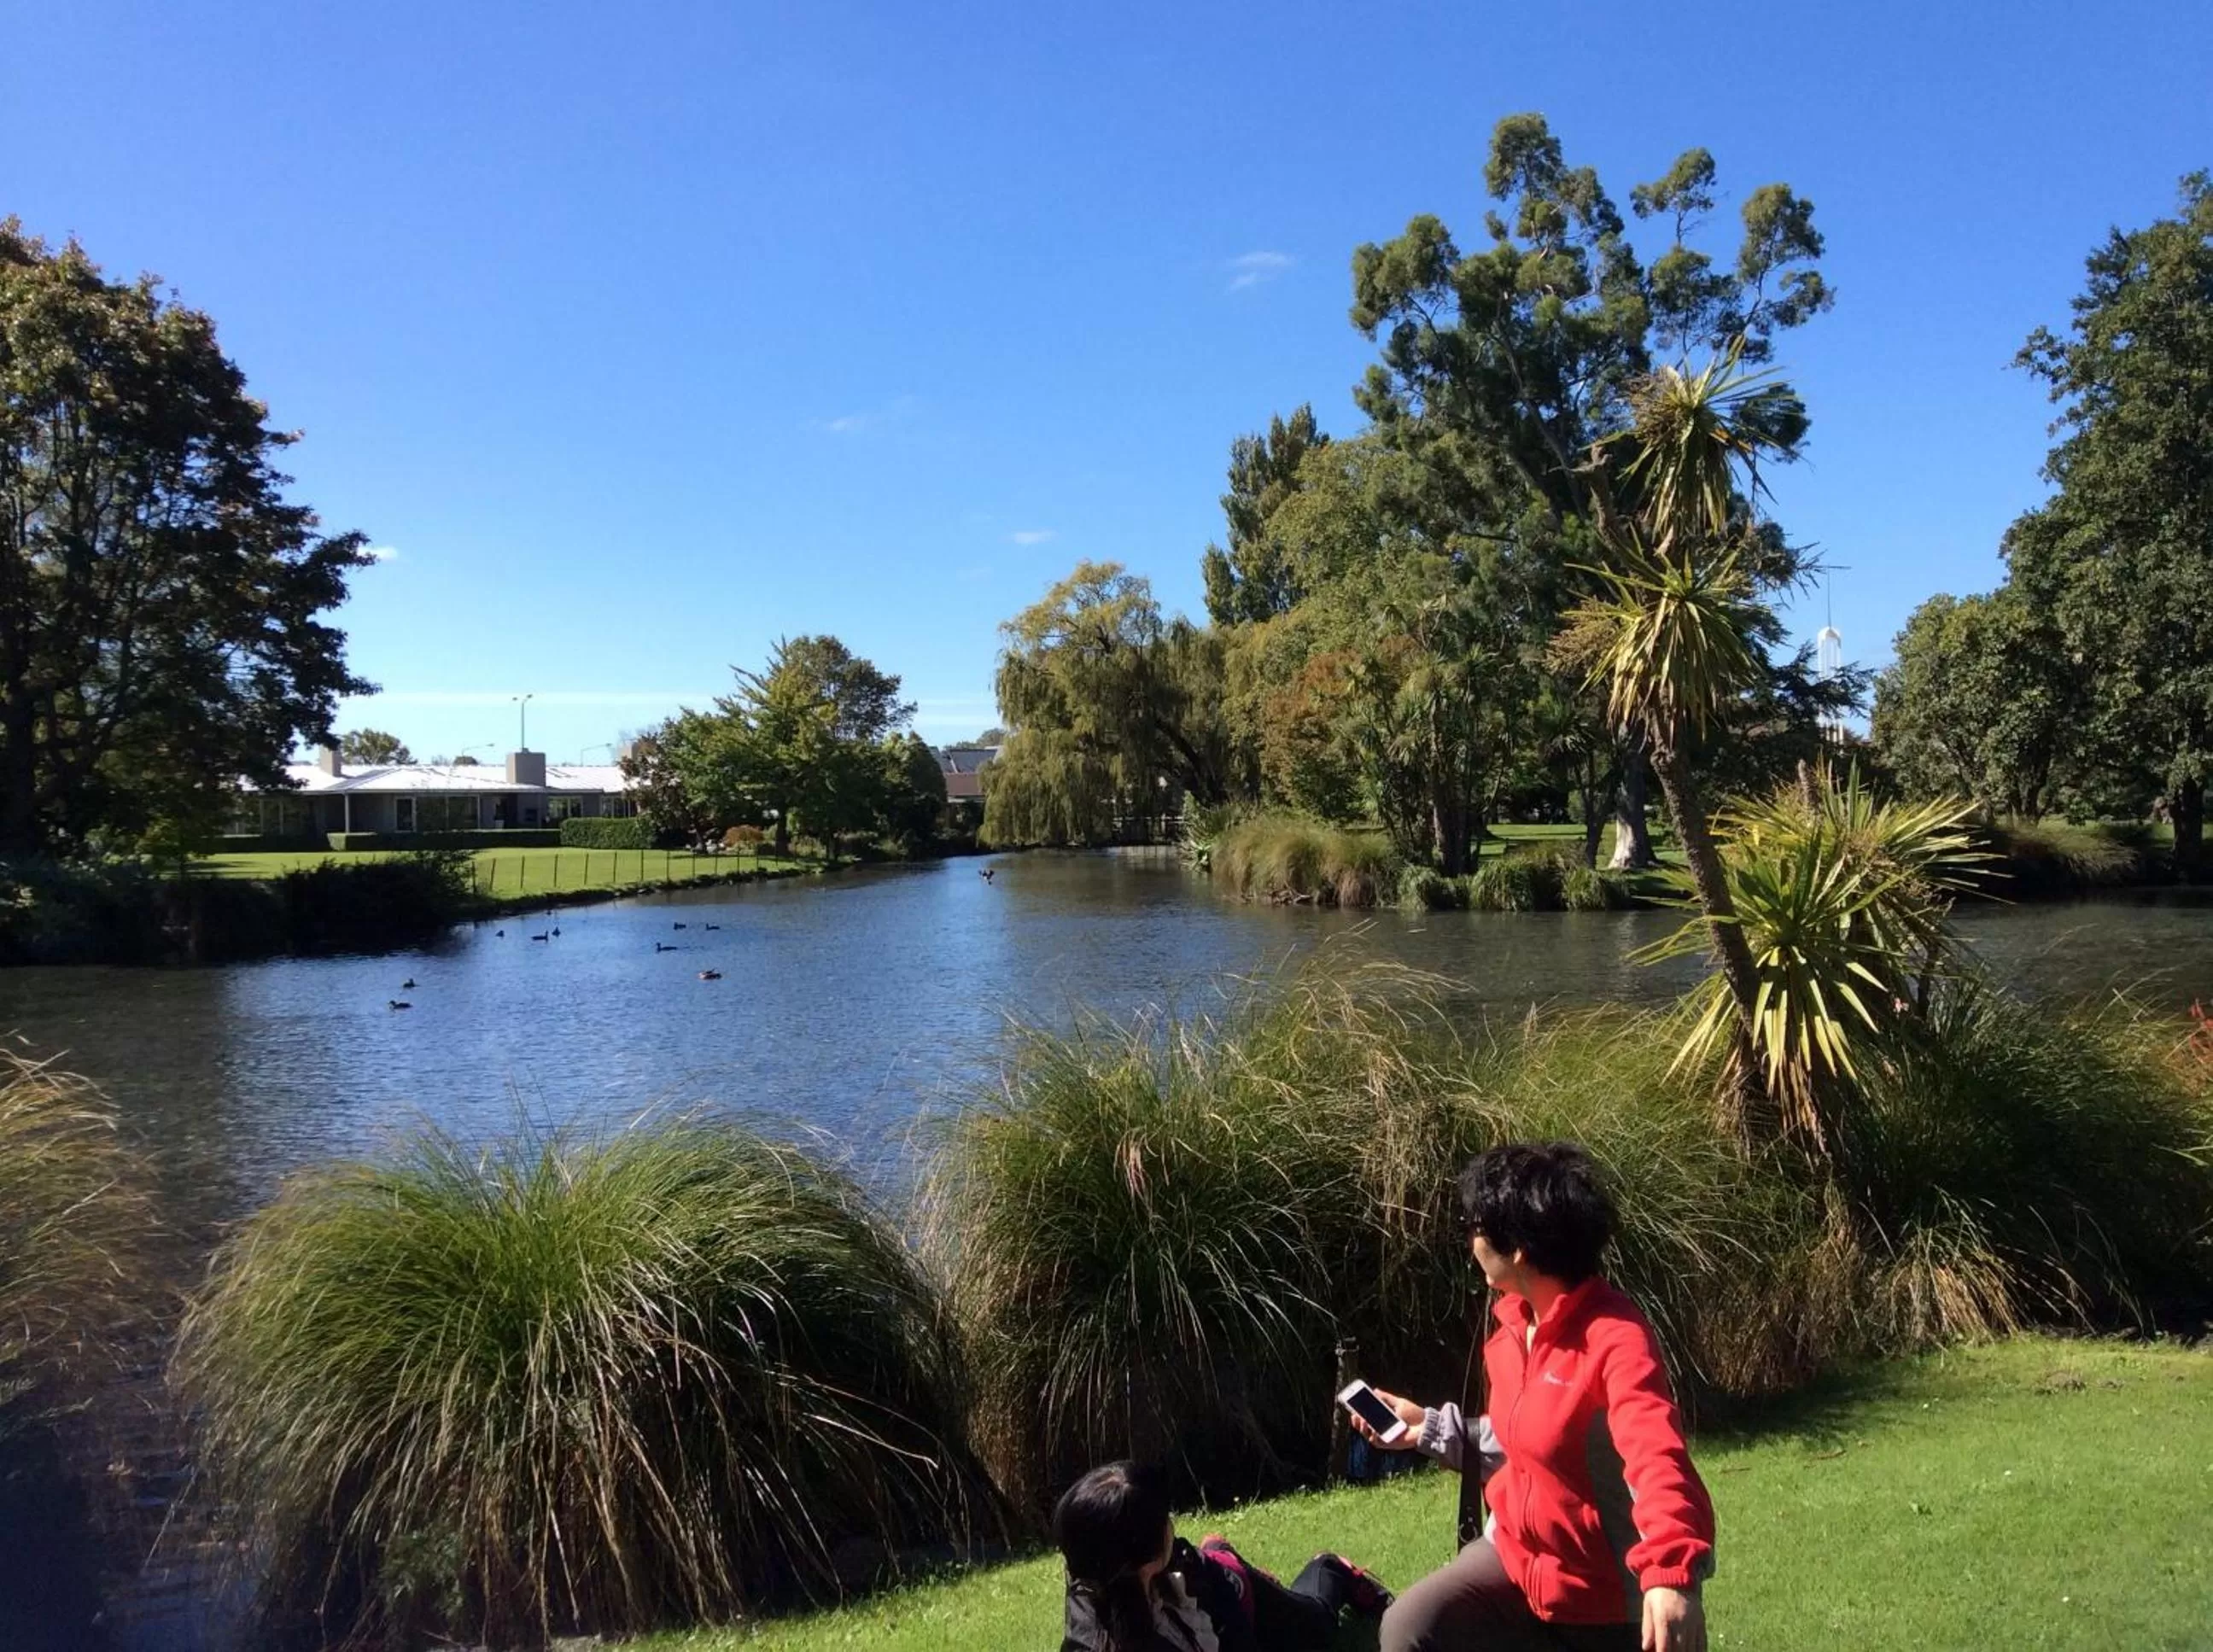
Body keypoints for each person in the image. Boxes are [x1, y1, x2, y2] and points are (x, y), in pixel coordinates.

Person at [1352, 1142, 1714, 1652]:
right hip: (1519, 1560)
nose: (1470, 1239)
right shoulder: (1511, 1330)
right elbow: (1521, 1440)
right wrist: (1426, 1429)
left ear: (1517, 1247)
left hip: (1601, 1595)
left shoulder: (1614, 1337)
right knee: (1410, 1627)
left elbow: (1656, 1456)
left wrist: (1670, 1572)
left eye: (1475, 1225)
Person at [1055, 1459, 1392, 1652]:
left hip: (1231, 1590)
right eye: (1165, 1520)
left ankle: (1332, 1569)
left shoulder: (1197, 1578)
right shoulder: (1089, 1616)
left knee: (1316, 1627)